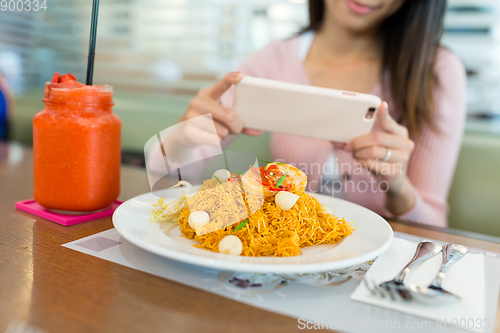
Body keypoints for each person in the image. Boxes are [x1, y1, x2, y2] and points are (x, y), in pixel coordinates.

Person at [167, 0, 466, 227]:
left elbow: (433, 228)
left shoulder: (436, 70)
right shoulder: (274, 60)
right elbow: (172, 180)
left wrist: (398, 186)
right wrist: (182, 139)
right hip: (285, 257)